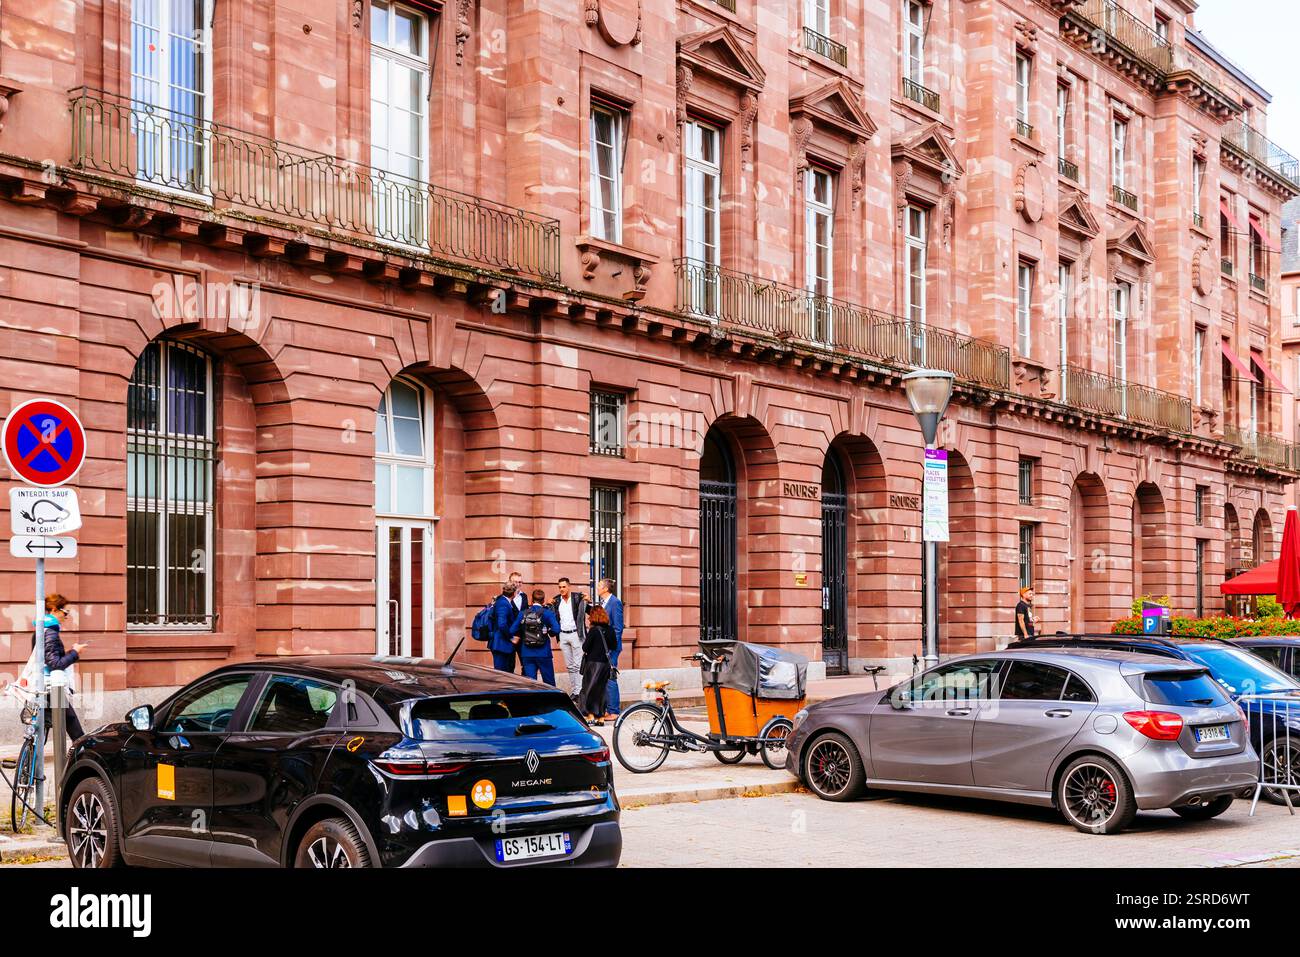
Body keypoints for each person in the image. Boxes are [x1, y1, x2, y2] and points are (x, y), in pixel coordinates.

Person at [39, 593, 86, 741]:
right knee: (74, 727)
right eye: (65, 613)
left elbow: (47, 657)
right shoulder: (50, 632)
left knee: (40, 733)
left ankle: (30, 760)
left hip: (44, 685)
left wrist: (66, 653)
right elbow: (55, 664)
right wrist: (74, 652)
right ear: (54, 609)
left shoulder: (42, 629)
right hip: (52, 686)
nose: (66, 617)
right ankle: (82, 754)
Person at [511, 589, 561, 686]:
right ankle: (551, 701)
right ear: (543, 601)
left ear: (531, 600)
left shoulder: (523, 613)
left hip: (527, 652)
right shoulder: (547, 613)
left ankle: (532, 701)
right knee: (549, 683)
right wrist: (548, 632)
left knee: (531, 684)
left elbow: (512, 630)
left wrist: (523, 631)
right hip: (544, 653)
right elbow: (556, 629)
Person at [551, 577, 589, 698]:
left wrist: (589, 600)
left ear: (569, 586)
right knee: (570, 666)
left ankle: (580, 691)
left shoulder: (577, 597)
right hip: (563, 635)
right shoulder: (557, 600)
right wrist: (548, 604)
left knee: (578, 665)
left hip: (576, 634)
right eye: (560, 587)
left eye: (564, 587)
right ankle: (575, 691)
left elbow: (589, 609)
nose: (561, 589)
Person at [579, 606, 615, 725]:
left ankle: (590, 715)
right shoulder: (610, 629)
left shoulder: (594, 630)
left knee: (588, 689)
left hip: (593, 664)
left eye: (590, 615)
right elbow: (614, 646)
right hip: (605, 664)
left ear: (594, 616)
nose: (588, 617)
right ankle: (601, 717)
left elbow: (585, 647)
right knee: (601, 690)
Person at [596, 578, 624, 719]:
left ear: (606, 589)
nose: (597, 587)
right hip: (603, 647)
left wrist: (611, 648)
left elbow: (618, 628)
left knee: (610, 677)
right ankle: (609, 708)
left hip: (611, 648)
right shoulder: (603, 603)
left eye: (600, 585)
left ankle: (613, 711)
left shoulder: (615, 603)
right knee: (604, 677)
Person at [489, 582, 521, 672]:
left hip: (502, 644)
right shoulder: (503, 603)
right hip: (501, 645)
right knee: (503, 675)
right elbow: (502, 624)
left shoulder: (502, 601)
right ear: (514, 593)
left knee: (506, 673)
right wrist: (511, 637)